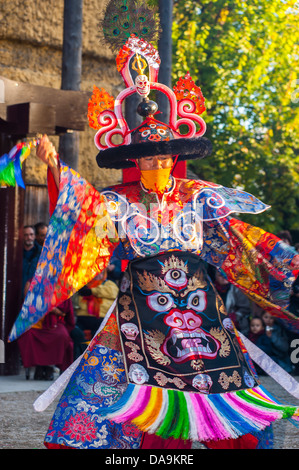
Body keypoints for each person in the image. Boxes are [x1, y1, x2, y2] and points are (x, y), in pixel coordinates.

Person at [8, 2, 299, 450]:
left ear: (174, 156)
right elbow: (80, 212)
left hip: (201, 308)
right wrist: (54, 168)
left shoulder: (200, 197)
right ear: (134, 161)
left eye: (163, 155)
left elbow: (240, 243)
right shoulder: (118, 202)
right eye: (146, 156)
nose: (156, 162)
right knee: (113, 380)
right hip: (139, 308)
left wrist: (286, 263)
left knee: (223, 381)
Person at [18, 281, 75, 380]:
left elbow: (63, 312)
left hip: (55, 322)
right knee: (28, 334)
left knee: (62, 335)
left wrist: (50, 308)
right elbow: (29, 302)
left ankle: (50, 367)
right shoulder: (32, 282)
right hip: (36, 321)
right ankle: (39, 367)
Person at [76, 269, 119, 339]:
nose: (97, 274)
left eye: (100, 273)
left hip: (101, 318)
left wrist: (91, 291)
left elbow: (113, 292)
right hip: (82, 316)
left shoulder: (109, 283)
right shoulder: (83, 284)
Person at [21, 225, 42, 297]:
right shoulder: (16, 253)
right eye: (26, 235)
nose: (29, 237)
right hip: (18, 294)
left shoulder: (43, 253)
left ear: (35, 236)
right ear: (22, 236)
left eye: (31, 234)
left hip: (36, 294)